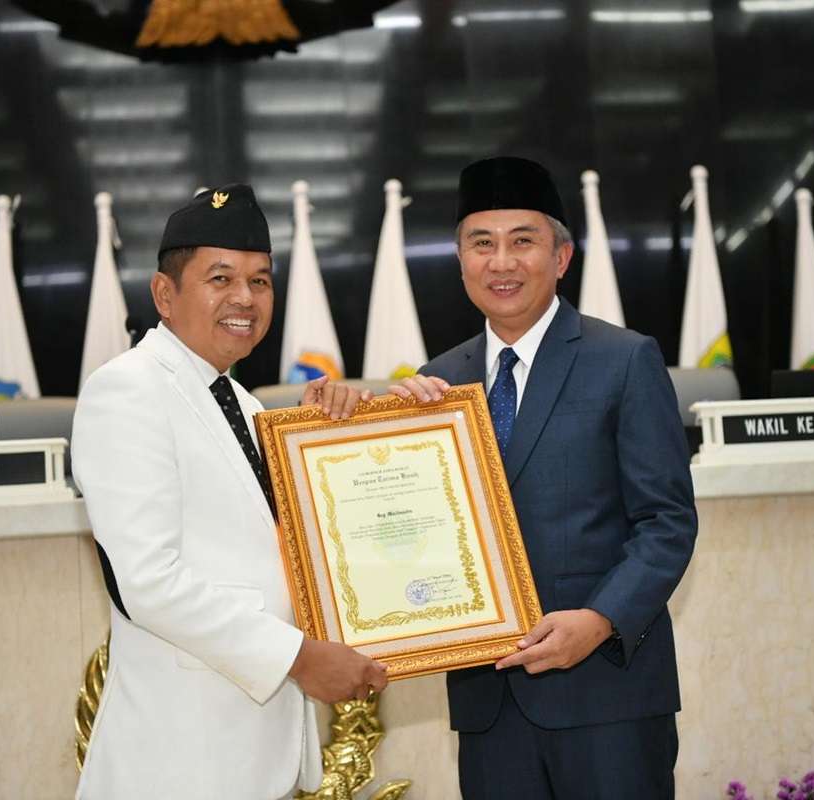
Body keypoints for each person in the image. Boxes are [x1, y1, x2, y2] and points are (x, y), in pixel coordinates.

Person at [394, 157, 697, 799]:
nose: (501, 262)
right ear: (460, 261)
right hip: (489, 706)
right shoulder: (436, 383)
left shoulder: (624, 359)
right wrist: (388, 440)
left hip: (607, 698)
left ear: (561, 257)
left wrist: (600, 620)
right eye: (482, 243)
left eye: (522, 241)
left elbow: (666, 523)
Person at [71, 185, 388, 800]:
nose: (245, 297)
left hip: (251, 752)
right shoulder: (127, 389)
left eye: (260, 281)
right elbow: (149, 582)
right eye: (220, 278)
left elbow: (279, 549)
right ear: (165, 294)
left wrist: (329, 441)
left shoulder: (242, 403)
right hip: (181, 758)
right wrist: (300, 658)